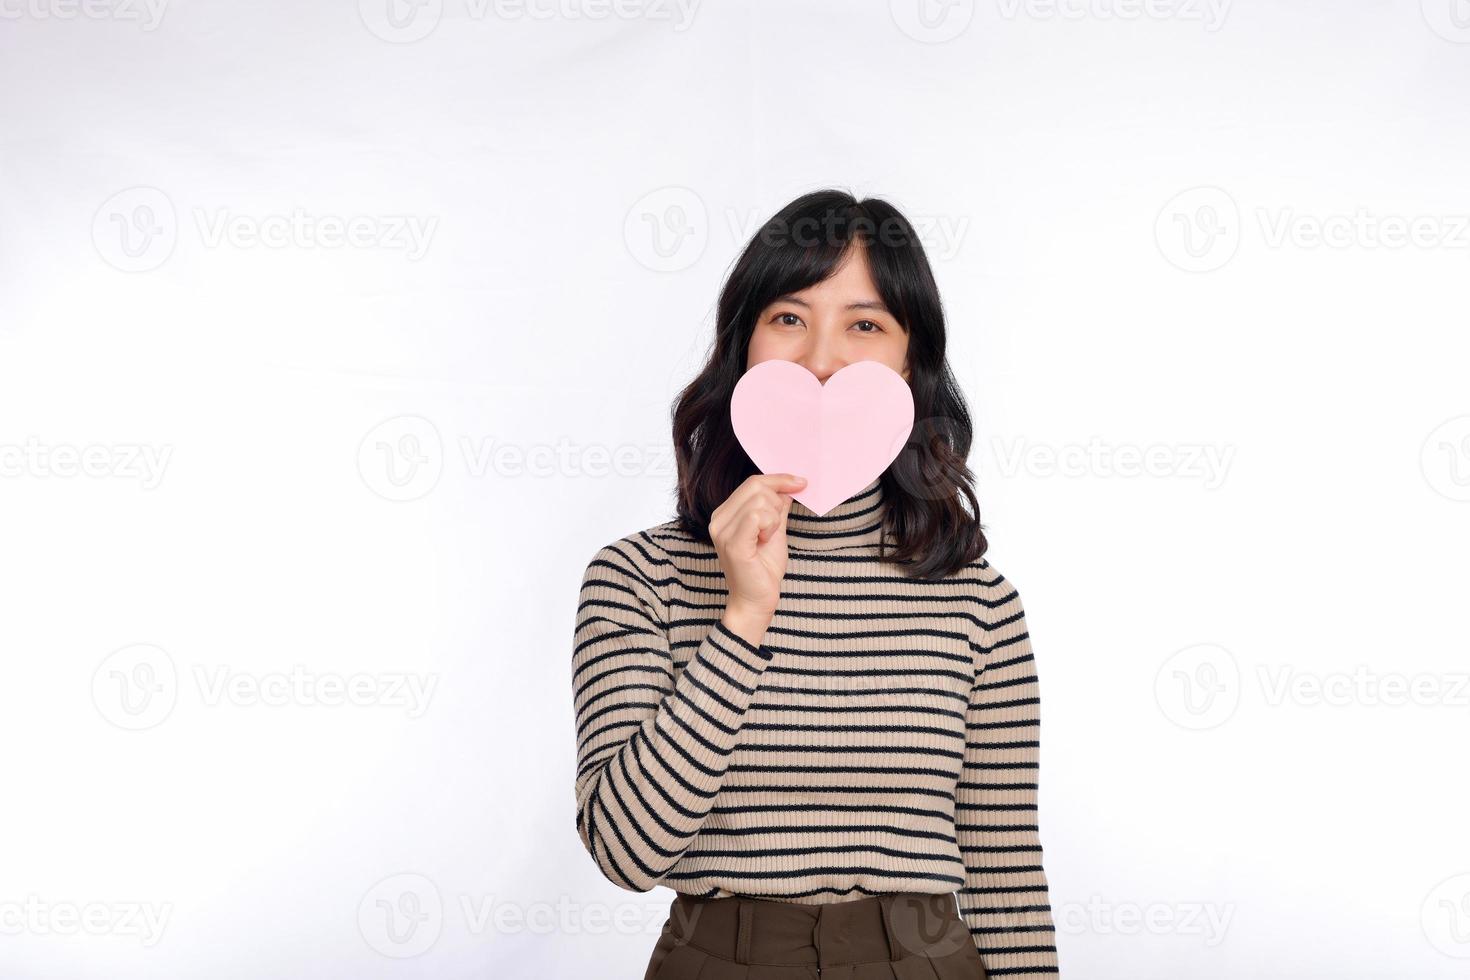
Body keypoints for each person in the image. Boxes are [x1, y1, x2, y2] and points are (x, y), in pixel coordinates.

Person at [571, 189, 1060, 978]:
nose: (823, 359)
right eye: (789, 318)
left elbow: (1004, 866)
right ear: (746, 347)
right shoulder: (637, 579)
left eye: (865, 325)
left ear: (911, 360)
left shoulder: (979, 601)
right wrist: (742, 619)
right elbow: (627, 852)